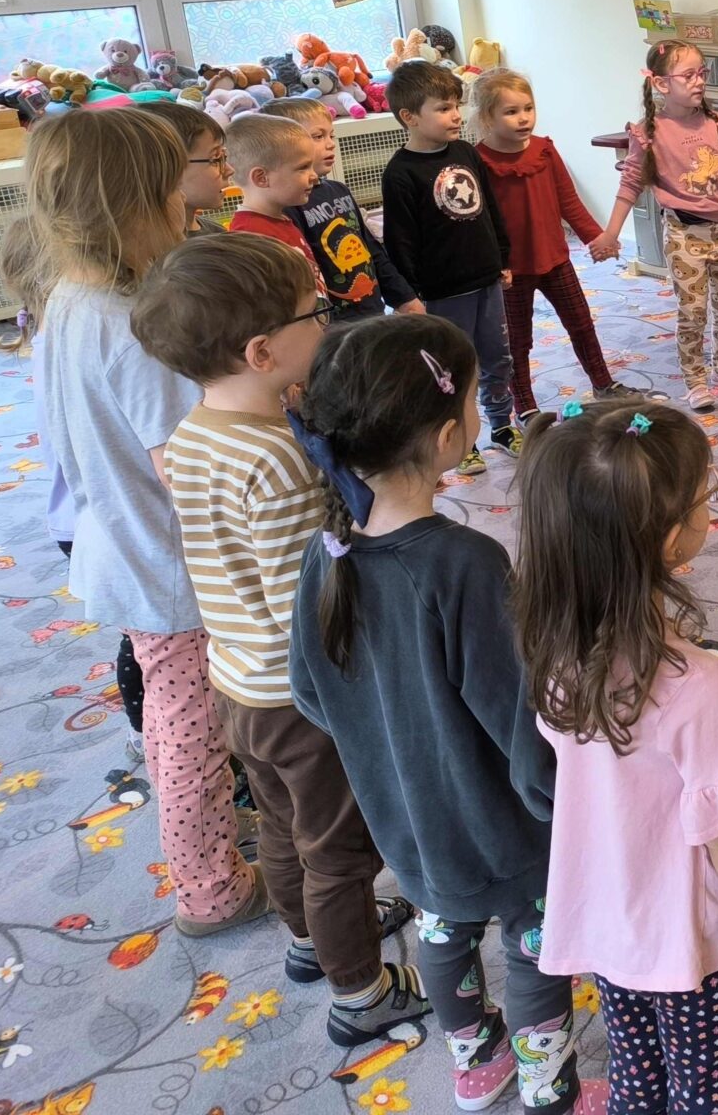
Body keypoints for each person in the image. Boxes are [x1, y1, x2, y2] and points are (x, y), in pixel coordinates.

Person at [290, 315, 597, 1112]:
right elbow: (516, 715)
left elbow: (309, 693)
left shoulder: (325, 549)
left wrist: (385, 736)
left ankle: (476, 1065)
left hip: (403, 816)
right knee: (532, 943)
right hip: (501, 825)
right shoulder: (464, 562)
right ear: (447, 434)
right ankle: (548, 1085)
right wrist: (566, 804)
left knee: (441, 927)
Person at [131, 233, 427, 1045]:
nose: (326, 325)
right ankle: (359, 990)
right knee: (338, 850)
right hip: (300, 695)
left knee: (284, 828)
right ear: (263, 352)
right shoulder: (275, 459)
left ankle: (307, 941)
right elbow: (312, 596)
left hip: (237, 681)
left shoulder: (193, 435)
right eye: (314, 314)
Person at [512, 400, 718, 1111]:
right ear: (669, 540)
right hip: (694, 943)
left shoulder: (554, 649)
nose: (710, 506)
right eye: (704, 496)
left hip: (610, 919)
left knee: (638, 1081)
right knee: (708, 1096)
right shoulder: (697, 687)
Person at [21, 109, 264, 934]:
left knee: (170, 712)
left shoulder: (69, 299)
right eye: (171, 190)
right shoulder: (134, 328)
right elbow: (185, 465)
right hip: (170, 560)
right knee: (193, 726)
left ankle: (207, 849)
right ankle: (210, 888)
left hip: (118, 539)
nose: (184, 205)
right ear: (134, 205)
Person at [595, 42, 718, 411]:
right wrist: (611, 233)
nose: (699, 81)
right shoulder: (649, 132)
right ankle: (695, 380)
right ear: (661, 84)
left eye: (702, 73)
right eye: (688, 75)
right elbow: (630, 185)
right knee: (693, 310)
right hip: (683, 234)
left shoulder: (717, 125)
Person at [379, 60, 518, 471]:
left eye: (456, 105)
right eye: (443, 108)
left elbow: (490, 210)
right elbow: (400, 240)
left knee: (497, 358)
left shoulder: (465, 152)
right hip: (442, 292)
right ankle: (461, 439)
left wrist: (502, 257)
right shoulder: (400, 173)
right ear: (409, 117)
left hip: (485, 280)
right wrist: (408, 294)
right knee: (454, 367)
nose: (456, 115)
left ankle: (501, 426)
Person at [472, 69, 623, 417]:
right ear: (487, 116)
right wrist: (493, 265)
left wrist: (596, 237)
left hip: (555, 258)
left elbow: (568, 201)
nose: (523, 118)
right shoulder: (478, 161)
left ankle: (603, 384)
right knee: (517, 340)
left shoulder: (544, 150)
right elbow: (478, 220)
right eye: (511, 112)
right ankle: (525, 405)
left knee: (581, 323)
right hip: (511, 271)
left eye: (528, 108)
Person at [263, 96, 422, 322]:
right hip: (334, 324)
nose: (330, 144)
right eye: (318, 136)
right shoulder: (290, 205)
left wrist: (404, 297)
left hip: (372, 312)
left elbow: (371, 249)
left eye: (332, 135)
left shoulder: (339, 190)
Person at [223, 112, 323, 285]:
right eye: (303, 167)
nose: (314, 176)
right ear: (261, 178)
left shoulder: (278, 218)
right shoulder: (252, 237)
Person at [141, 99, 233, 234]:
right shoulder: (150, 246)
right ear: (167, 169)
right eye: (216, 158)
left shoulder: (218, 234)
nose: (230, 170)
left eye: (224, 156)